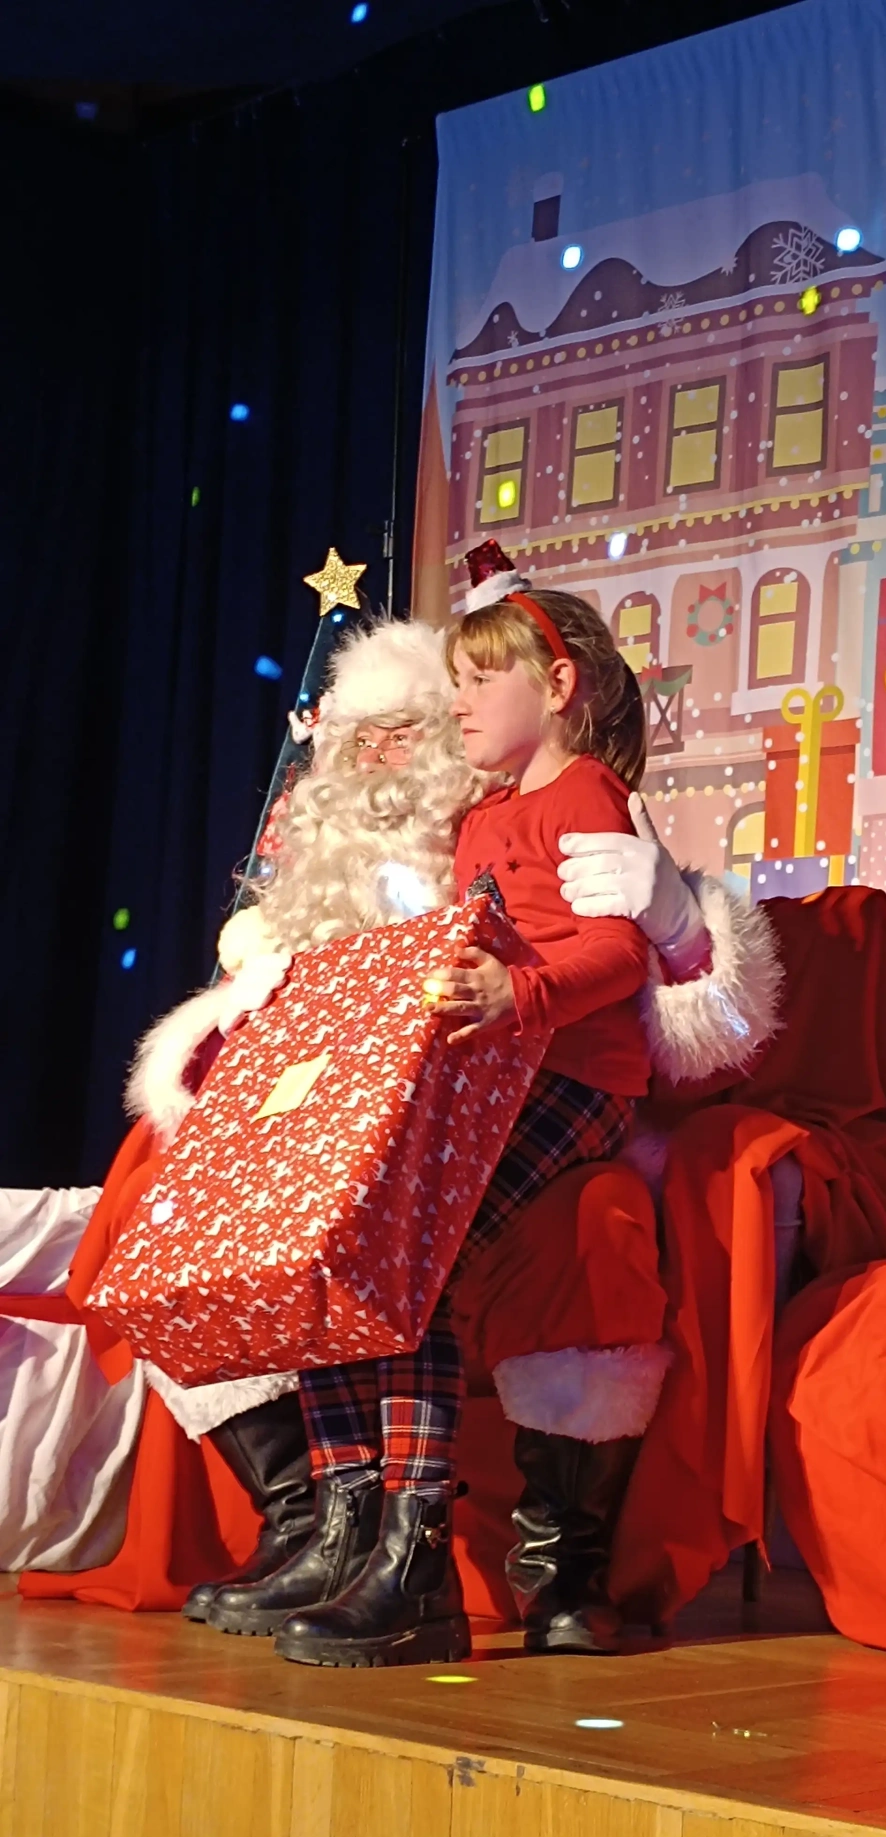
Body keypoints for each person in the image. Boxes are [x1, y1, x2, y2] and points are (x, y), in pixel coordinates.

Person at [15, 581, 776, 1649]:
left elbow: (615, 953)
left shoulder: (586, 796)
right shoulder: (483, 820)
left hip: (567, 1085)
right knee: (336, 1247)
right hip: (484, 1074)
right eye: (447, 688)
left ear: (557, 685)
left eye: (475, 684)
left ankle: (415, 1556)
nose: (459, 708)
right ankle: (345, 1530)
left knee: (400, 1251)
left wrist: (522, 992)